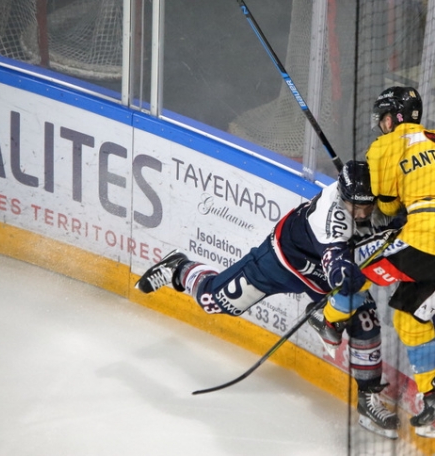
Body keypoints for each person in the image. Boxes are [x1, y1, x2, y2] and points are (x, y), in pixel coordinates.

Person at [134, 161, 400, 439]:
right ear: (342, 197)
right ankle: (178, 268)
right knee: (214, 301)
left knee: (365, 319)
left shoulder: (376, 195)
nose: (361, 213)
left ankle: (368, 399)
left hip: (321, 267)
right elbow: (339, 274)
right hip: (283, 260)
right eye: (354, 207)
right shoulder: (332, 220)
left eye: (366, 207)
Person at [319, 86, 435, 439]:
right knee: (410, 317)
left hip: (425, 240)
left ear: (393, 117)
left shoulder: (384, 146)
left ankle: (330, 323)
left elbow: (388, 208)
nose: (381, 125)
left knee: (356, 269)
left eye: (383, 119)